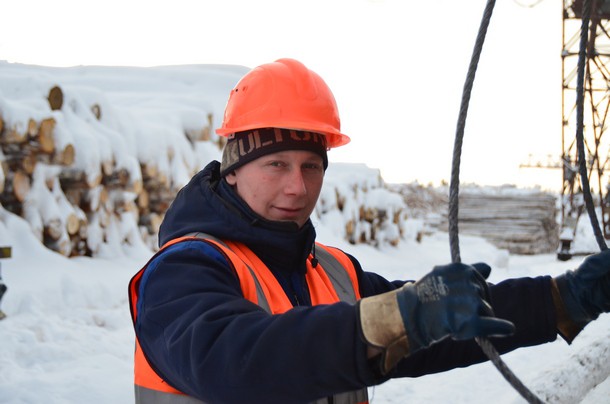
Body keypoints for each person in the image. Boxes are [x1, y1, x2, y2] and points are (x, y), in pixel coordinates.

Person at [128, 58, 610, 404]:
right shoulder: (183, 270)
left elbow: (439, 325)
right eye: (276, 164)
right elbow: (236, 360)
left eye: (312, 166)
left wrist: (563, 300)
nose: (297, 187)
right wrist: (396, 317)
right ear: (233, 169)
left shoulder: (331, 271)